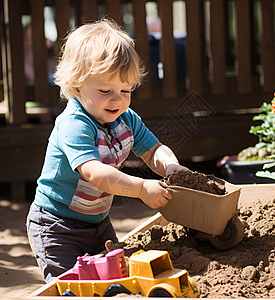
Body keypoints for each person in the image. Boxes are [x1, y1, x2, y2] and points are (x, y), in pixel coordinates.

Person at [26, 19, 187, 283]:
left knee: (114, 279)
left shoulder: (126, 118)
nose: (118, 99)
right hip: (57, 226)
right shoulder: (74, 124)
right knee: (70, 286)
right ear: (77, 86)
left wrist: (170, 166)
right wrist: (141, 188)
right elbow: (95, 173)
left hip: (98, 223)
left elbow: (153, 149)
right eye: (105, 90)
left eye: (126, 90)